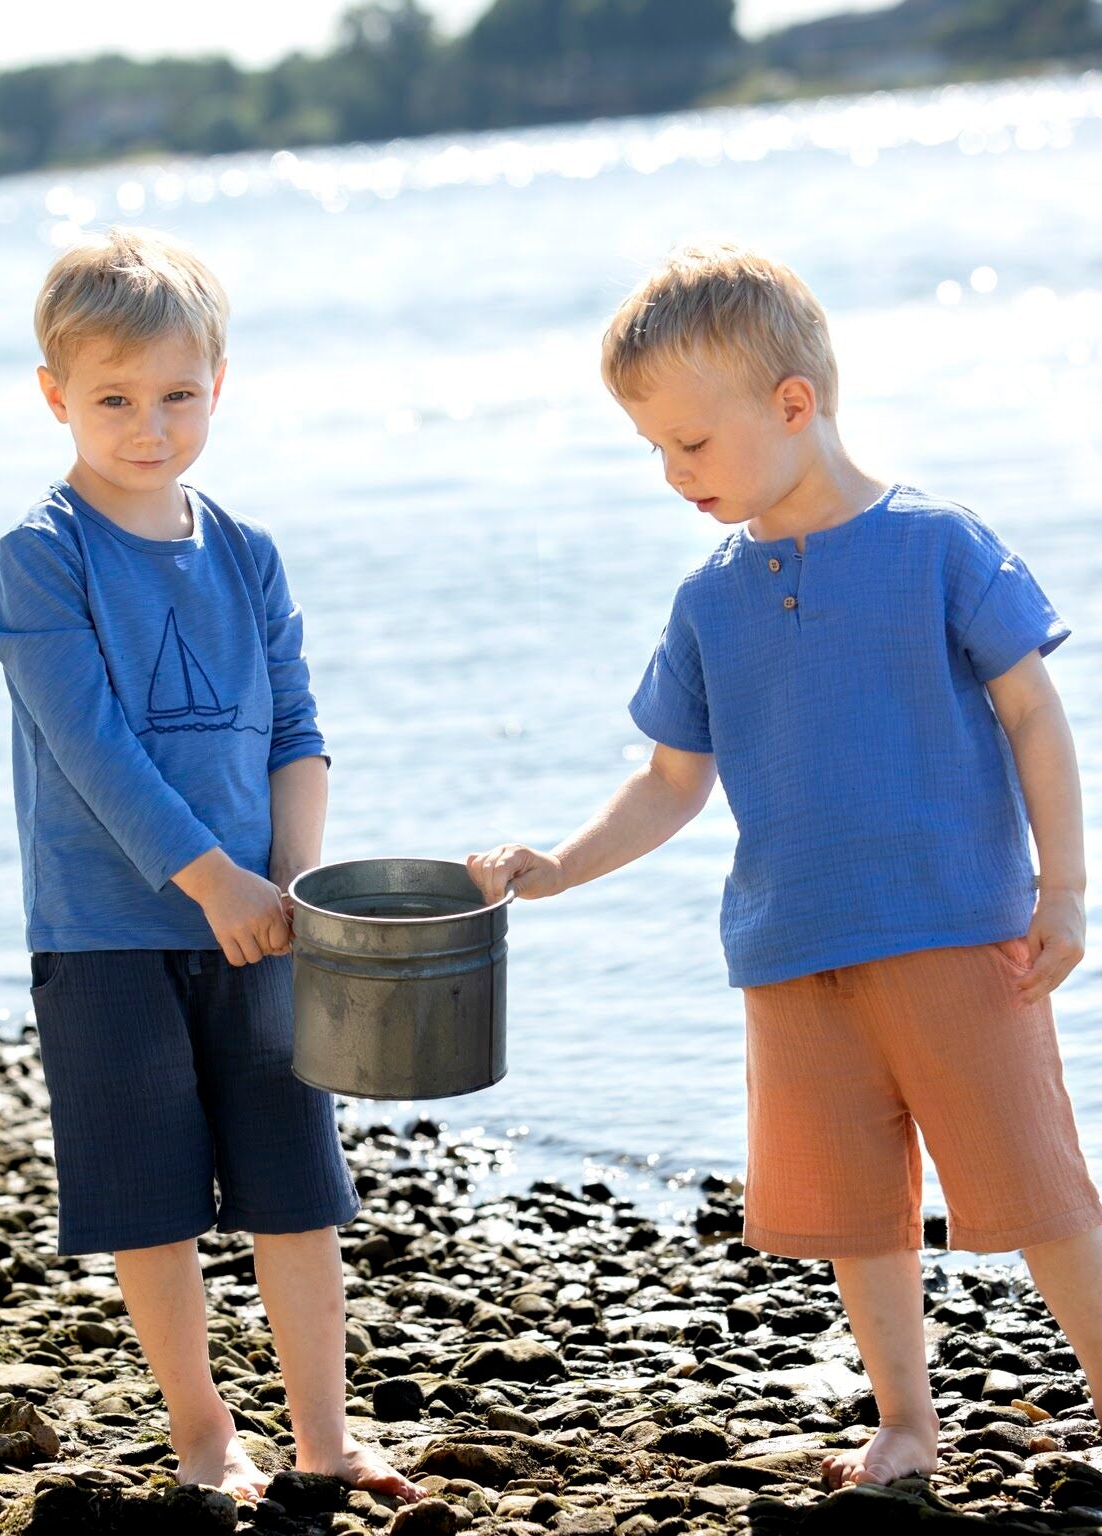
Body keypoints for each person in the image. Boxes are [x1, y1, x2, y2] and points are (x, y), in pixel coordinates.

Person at [467, 242, 1101, 1488]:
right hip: (792, 954)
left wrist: (1066, 889)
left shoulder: (937, 546)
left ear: (794, 404)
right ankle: (906, 1422)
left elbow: (1036, 714)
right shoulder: (710, 600)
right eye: (653, 448)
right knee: (859, 1212)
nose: (673, 473)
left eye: (692, 443)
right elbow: (672, 780)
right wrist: (561, 866)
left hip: (955, 934)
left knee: (1039, 1189)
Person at [0, 225, 419, 1505]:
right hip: (106, 933)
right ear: (56, 395)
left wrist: (292, 888)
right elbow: (94, 750)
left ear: (218, 385)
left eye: (178, 395)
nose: (151, 426)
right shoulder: (43, 554)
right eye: (114, 399)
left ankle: (325, 1436)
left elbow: (297, 730)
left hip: (262, 927)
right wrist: (212, 879)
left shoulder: (247, 552)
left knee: (296, 1188)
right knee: (150, 1198)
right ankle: (202, 1430)